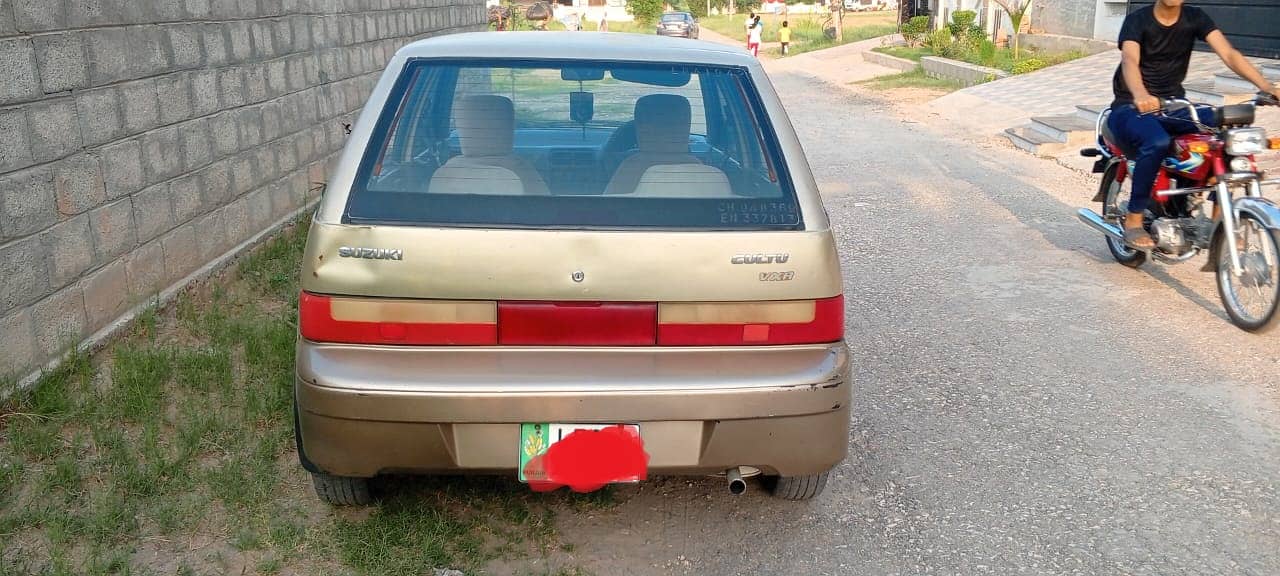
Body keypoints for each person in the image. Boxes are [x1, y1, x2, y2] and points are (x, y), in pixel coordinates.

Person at [1107, 0, 1280, 250]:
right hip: (1131, 106)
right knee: (1157, 142)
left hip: (1174, 105)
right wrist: (1141, 94)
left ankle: (1219, 220)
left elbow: (1230, 54)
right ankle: (1135, 219)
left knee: (1227, 131)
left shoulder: (1195, 17)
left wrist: (1268, 87)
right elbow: (1129, 61)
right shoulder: (1138, 19)